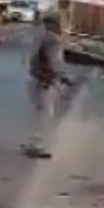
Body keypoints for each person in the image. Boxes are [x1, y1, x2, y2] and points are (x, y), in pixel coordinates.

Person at [23, 14, 70, 159]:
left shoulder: (41, 37)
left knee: (38, 111)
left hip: (38, 78)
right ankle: (38, 145)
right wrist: (53, 77)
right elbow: (52, 61)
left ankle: (33, 142)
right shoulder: (51, 39)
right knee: (46, 113)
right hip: (46, 79)